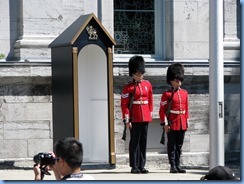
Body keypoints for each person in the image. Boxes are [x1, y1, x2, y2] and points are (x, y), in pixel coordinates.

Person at [121, 55, 153, 174]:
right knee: (134, 142)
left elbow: (150, 100)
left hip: (145, 116)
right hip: (134, 117)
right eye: (138, 74)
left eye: (141, 73)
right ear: (133, 74)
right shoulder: (128, 87)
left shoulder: (147, 85)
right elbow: (124, 105)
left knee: (143, 142)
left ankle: (142, 165)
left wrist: (149, 113)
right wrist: (127, 119)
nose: (140, 76)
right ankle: (134, 165)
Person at [159, 63, 189, 174]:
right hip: (172, 122)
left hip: (182, 122)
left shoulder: (184, 93)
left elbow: (186, 109)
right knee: (172, 145)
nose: (179, 82)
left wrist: (186, 121)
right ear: (171, 81)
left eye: (179, 79)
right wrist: (165, 124)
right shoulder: (167, 94)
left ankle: (178, 165)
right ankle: (172, 166)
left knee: (179, 146)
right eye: (176, 80)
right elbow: (162, 110)